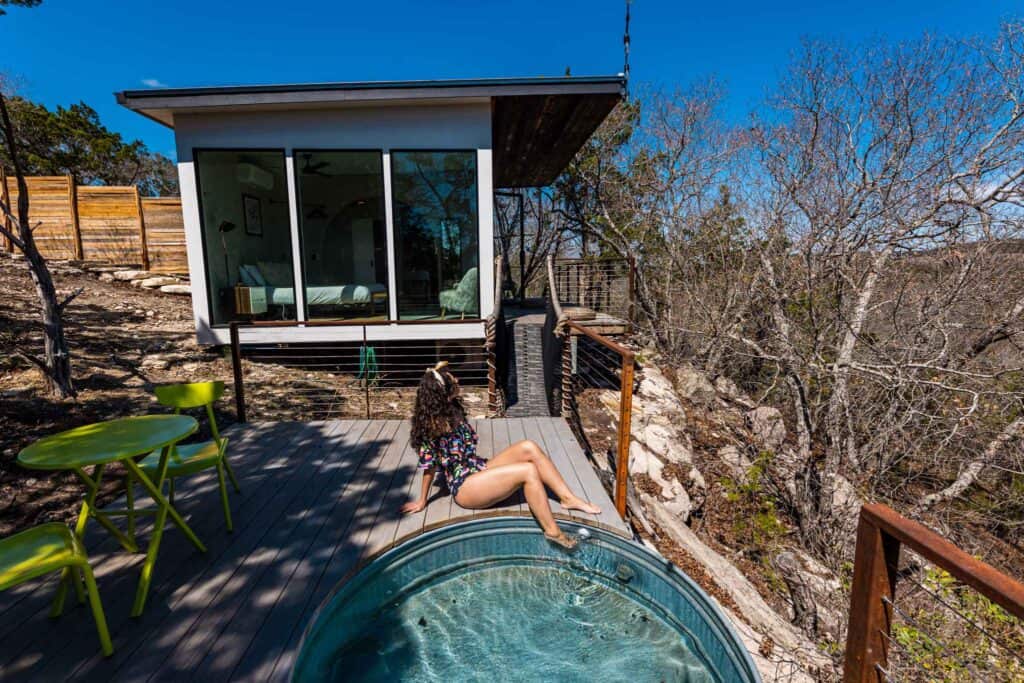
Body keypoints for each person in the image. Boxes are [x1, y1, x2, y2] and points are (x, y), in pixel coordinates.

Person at [401, 361, 600, 549]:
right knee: (528, 471)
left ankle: (568, 498)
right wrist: (422, 500)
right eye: (453, 381)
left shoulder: (452, 409)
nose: (457, 381)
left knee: (528, 447)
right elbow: (430, 466)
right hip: (465, 487)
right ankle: (554, 533)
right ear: (442, 392)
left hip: (477, 468)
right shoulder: (432, 427)